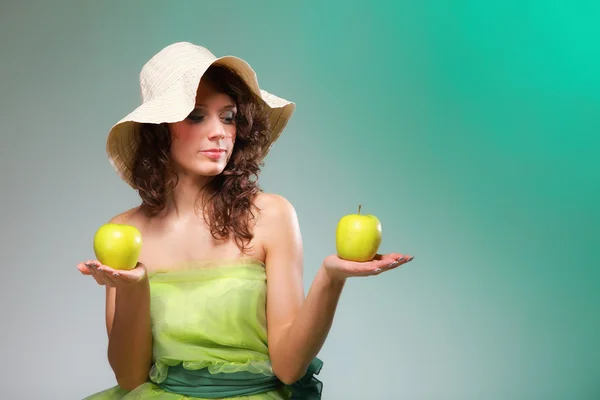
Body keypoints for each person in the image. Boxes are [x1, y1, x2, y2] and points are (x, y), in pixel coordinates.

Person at [77, 41, 414, 400]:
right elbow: (130, 378)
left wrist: (331, 277)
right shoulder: (126, 232)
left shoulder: (272, 216)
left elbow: (288, 367)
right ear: (160, 130)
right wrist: (133, 286)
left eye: (228, 116)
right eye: (196, 115)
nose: (219, 132)